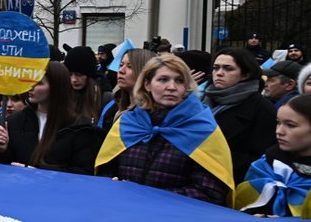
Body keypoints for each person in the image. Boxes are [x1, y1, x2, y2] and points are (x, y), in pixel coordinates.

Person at [96, 54, 234, 205]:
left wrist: (147, 197)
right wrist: (113, 185)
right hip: (124, 216)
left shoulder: (202, 128)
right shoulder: (127, 122)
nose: (172, 87)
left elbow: (210, 193)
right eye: (163, 79)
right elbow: (105, 172)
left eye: (179, 81)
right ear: (147, 84)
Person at [0, 61, 104, 174]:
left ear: (56, 87)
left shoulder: (79, 128)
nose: (31, 86)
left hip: (56, 191)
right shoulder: (15, 121)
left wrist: (38, 172)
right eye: (30, 81)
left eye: (39, 83)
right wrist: (1, 149)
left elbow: (83, 173)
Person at [203, 47, 277, 183]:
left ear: (245, 74)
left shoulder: (262, 109)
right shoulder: (204, 101)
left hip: (229, 182)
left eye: (228, 69)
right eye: (216, 68)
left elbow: (262, 158)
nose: (219, 73)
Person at [235, 94, 311, 218]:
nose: (279, 131)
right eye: (278, 123)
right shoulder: (266, 162)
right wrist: (254, 215)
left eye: (290, 125)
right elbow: (244, 202)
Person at [98, 48, 156, 131]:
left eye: (130, 66)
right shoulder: (113, 107)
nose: (121, 70)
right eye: (121, 65)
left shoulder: (151, 117)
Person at [64, 45, 104, 123]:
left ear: (89, 75)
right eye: (70, 74)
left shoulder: (104, 97)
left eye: (79, 74)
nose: (74, 80)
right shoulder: (64, 95)